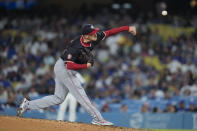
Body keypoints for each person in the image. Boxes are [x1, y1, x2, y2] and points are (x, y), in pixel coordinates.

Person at [17, 24, 136, 125]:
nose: (96, 34)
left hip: (63, 67)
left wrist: (127, 28)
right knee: (80, 93)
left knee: (58, 98)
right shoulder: (76, 46)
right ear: (85, 36)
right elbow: (69, 65)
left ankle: (27, 105)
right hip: (64, 67)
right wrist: (86, 66)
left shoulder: (96, 36)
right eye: (92, 33)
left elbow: (110, 32)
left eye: (95, 31)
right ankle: (98, 119)